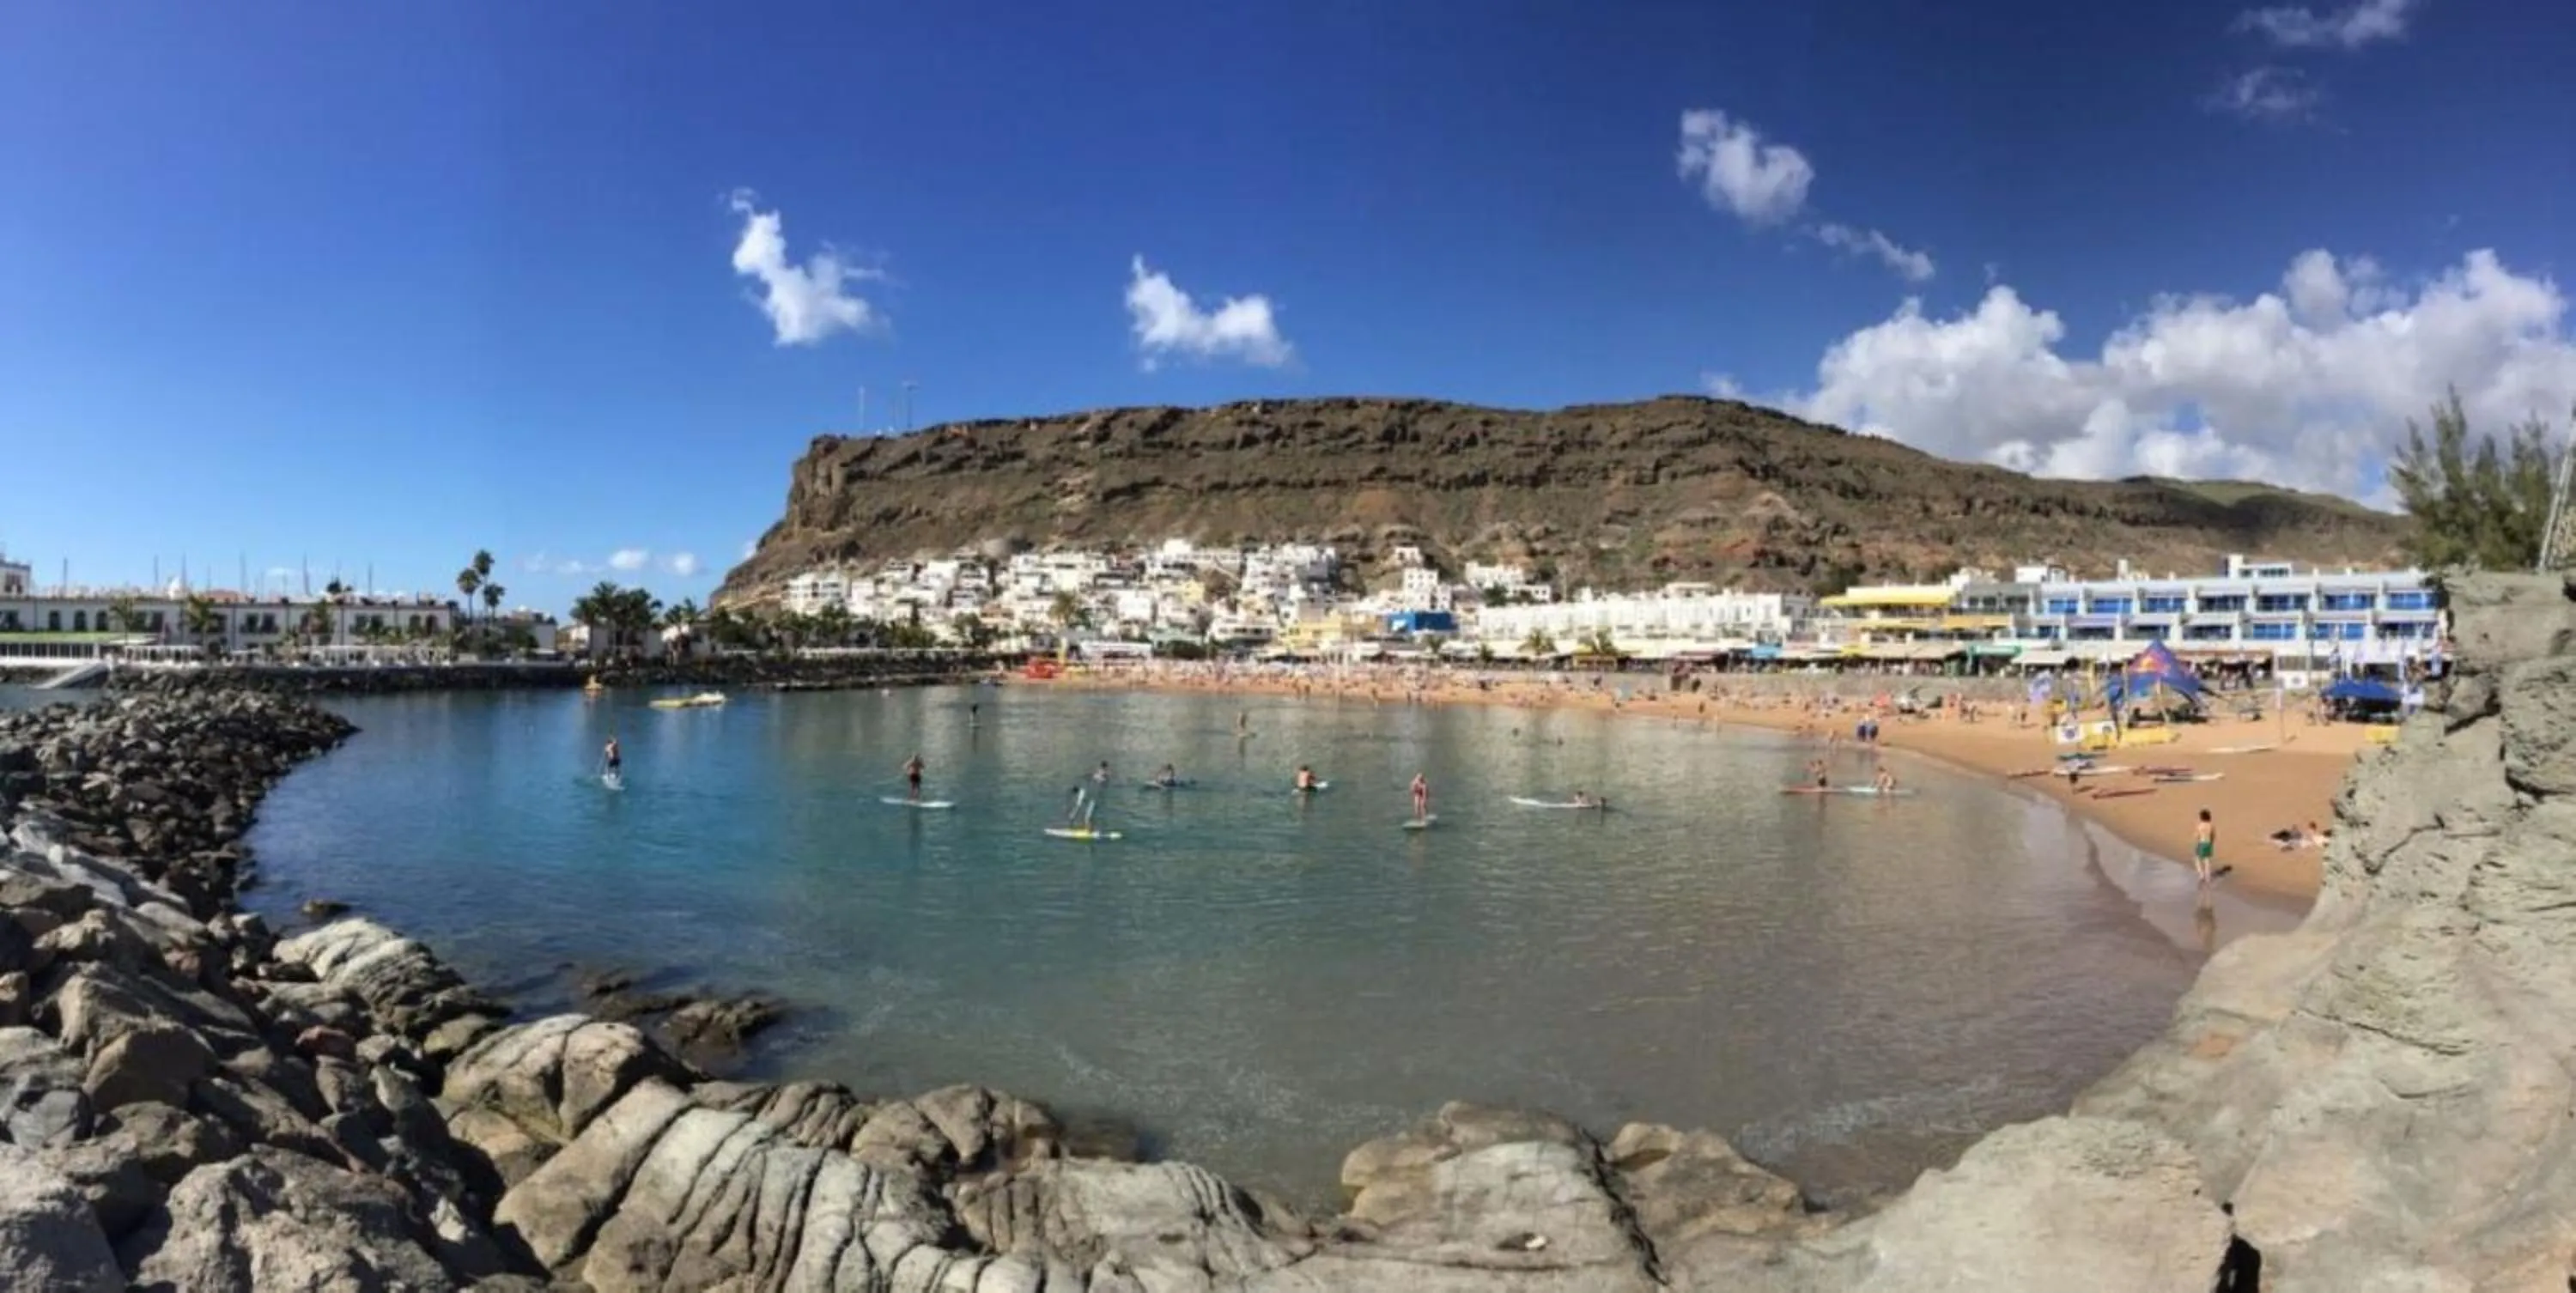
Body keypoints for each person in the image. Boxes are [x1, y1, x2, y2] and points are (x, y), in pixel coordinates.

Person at [2194, 808, 2218, 884]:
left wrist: (2197, 839)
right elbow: (2213, 835)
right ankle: (2208, 877)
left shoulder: (2200, 825)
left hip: (2201, 843)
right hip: (2208, 843)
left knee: (2197, 859)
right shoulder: (2211, 825)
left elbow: (2197, 835)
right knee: (2207, 860)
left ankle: (2201, 875)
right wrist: (2212, 842)